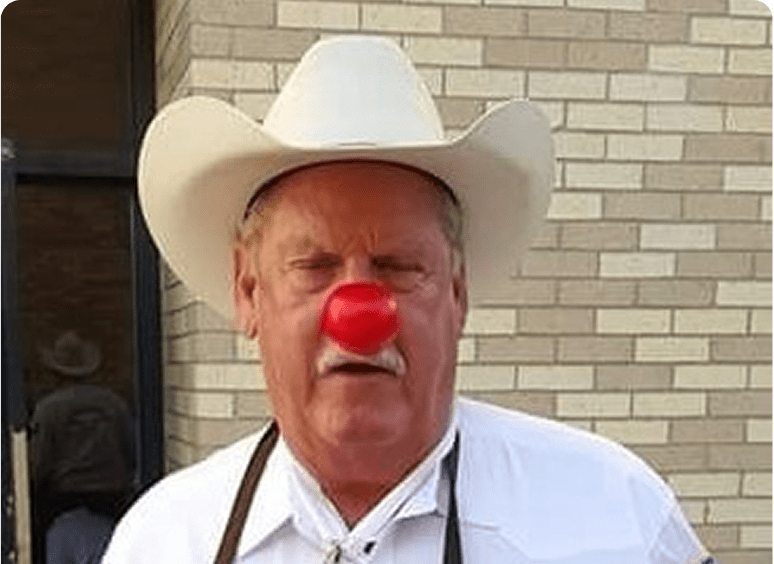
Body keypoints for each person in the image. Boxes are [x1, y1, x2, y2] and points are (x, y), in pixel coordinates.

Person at [102, 36, 715, 564]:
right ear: (248, 292)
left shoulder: (616, 519)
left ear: (457, 292)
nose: (359, 315)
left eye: (400, 267)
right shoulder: (162, 541)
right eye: (314, 267)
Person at [29, 331, 135, 564]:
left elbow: (41, 462)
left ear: (56, 371)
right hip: (113, 497)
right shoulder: (115, 403)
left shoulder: (48, 408)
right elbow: (130, 452)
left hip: (64, 499)